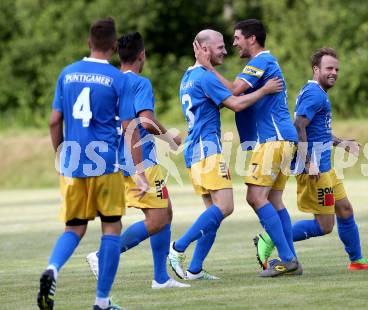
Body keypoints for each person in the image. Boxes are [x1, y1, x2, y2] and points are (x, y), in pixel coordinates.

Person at [37, 18, 148, 310]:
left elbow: (53, 121)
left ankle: (52, 269)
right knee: (111, 229)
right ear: (114, 46)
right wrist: (138, 171)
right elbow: (129, 127)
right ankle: (101, 302)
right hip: (106, 165)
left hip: (73, 165)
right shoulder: (117, 79)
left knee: (73, 228)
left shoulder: (67, 73)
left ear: (88, 43)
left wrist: (61, 153)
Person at [168, 29, 284, 280]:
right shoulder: (204, 76)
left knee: (213, 214)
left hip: (194, 150)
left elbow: (222, 100)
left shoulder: (188, 76)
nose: (225, 49)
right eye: (220, 46)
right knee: (226, 207)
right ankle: (178, 248)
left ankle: (195, 269)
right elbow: (236, 103)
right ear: (205, 49)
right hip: (207, 150)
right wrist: (264, 91)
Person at [254, 47, 368, 271]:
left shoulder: (317, 93)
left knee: (345, 209)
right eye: (329, 68)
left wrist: (342, 143)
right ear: (316, 69)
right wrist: (306, 162)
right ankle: (271, 239)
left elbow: (318, 131)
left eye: (336, 69)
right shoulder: (314, 94)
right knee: (324, 226)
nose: (334, 72)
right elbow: (299, 126)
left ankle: (357, 260)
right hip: (315, 169)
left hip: (326, 167)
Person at [194, 19, 300, 277]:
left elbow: (232, 89)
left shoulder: (261, 61)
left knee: (255, 197)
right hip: (283, 139)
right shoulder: (264, 64)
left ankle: (287, 259)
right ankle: (291, 259)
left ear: (251, 38)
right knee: (274, 200)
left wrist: (207, 68)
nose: (234, 43)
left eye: (237, 37)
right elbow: (236, 99)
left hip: (273, 140)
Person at [85, 32, 190, 290]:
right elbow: (145, 121)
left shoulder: (108, 83)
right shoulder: (139, 83)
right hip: (140, 160)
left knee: (165, 211)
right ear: (141, 56)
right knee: (157, 219)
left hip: (115, 160)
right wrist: (170, 138)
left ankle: (161, 279)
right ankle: (102, 256)